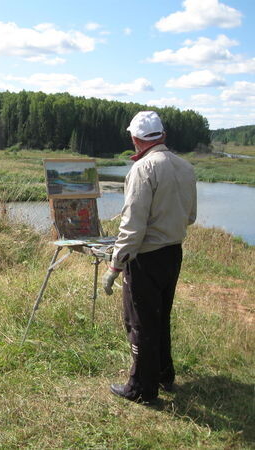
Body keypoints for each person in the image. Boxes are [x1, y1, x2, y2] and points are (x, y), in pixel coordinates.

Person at [102, 111, 197, 403]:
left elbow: (132, 225)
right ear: (163, 136)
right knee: (160, 315)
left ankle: (141, 389)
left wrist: (115, 264)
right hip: (173, 253)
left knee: (140, 321)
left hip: (146, 257)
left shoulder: (143, 169)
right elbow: (191, 217)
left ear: (135, 139)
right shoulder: (184, 166)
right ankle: (164, 375)